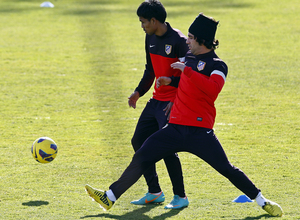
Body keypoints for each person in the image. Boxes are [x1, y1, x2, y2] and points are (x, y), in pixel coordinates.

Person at [85, 13, 283, 217]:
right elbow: (188, 83)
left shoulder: (218, 65)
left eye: (190, 37)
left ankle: (262, 201)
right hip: (175, 128)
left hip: (200, 132)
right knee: (142, 155)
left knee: (227, 169)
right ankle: (110, 197)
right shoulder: (188, 59)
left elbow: (212, 89)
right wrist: (172, 82)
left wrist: (186, 71)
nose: (186, 41)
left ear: (201, 40)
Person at [126, 0, 189, 209]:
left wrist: (177, 101)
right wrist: (138, 92)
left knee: (167, 148)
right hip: (156, 101)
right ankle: (154, 191)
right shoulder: (149, 37)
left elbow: (189, 78)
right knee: (138, 141)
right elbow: (150, 70)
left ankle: (180, 196)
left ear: (154, 20)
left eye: (143, 22)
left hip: (172, 103)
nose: (141, 25)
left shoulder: (179, 41)